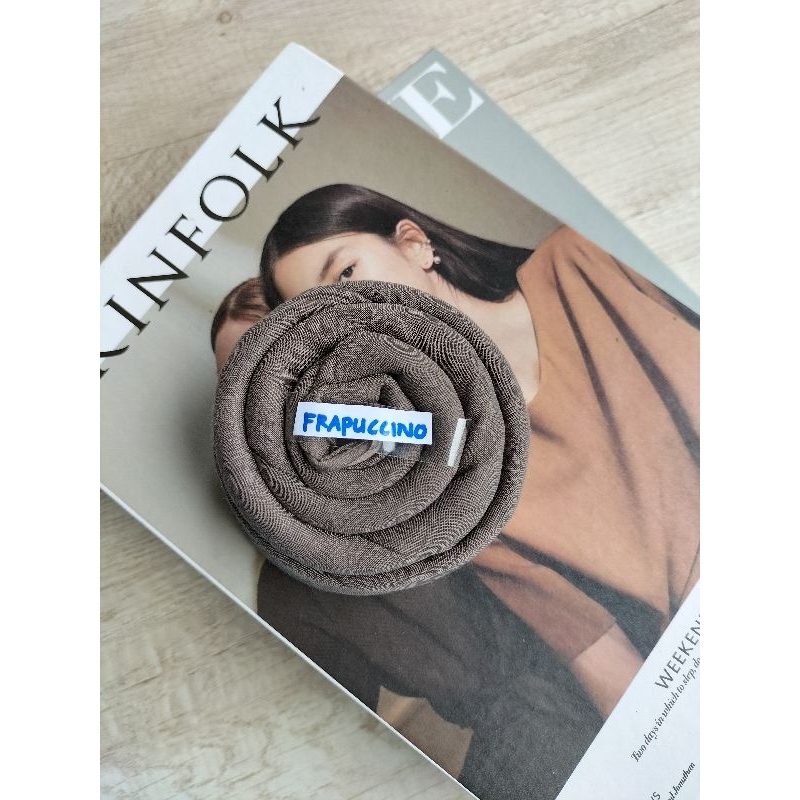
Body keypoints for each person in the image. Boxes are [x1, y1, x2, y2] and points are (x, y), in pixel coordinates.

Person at [258, 184, 699, 720]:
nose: (349, 318)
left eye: (347, 274)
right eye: (321, 318)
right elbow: (602, 659)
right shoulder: (454, 491)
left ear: (414, 244)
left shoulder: (585, 258)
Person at [211, 277, 606, 800]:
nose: (264, 393)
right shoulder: (299, 587)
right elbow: (327, 742)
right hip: (525, 752)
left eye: (275, 358)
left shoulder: (510, 439)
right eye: (236, 381)